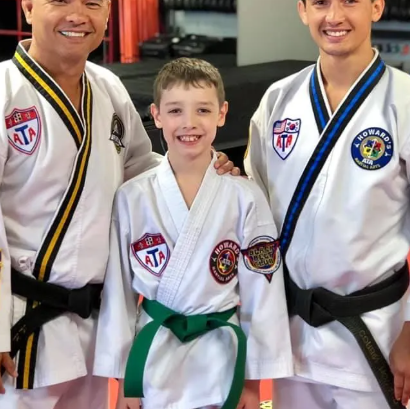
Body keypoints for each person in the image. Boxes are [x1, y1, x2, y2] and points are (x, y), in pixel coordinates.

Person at [0, 0, 235, 409]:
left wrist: (205, 171)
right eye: (59, 0)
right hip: (17, 331)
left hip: (93, 325)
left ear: (106, 14)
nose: (77, 15)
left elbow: (145, 175)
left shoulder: (108, 89)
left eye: (92, 2)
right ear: (28, 6)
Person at [244, 0, 410, 409]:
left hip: (371, 334)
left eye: (351, 0)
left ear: (376, 7)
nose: (335, 16)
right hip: (289, 331)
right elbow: (253, 212)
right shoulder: (278, 101)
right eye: (321, 2)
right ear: (302, 10)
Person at [93, 57, 294, 409]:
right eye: (175, 111)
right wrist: (126, 377)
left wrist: (252, 380)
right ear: (155, 115)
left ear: (222, 113)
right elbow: (118, 293)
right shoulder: (132, 196)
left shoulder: (245, 196)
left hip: (222, 361)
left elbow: (264, 293)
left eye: (203, 110)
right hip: (153, 361)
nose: (189, 123)